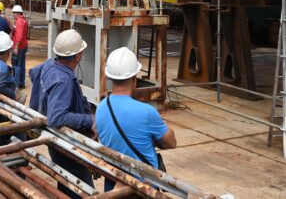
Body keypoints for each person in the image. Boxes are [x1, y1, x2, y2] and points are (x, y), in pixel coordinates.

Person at [96, 47, 177, 191]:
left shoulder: (101, 107)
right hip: (141, 189)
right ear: (134, 78)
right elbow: (171, 143)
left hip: (112, 184)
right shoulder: (146, 112)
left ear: (110, 77)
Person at [29, 29, 95, 198]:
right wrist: (89, 120)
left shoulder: (50, 64)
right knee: (82, 188)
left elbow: (33, 73)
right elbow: (57, 117)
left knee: (66, 181)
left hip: (54, 139)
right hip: (64, 143)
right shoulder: (63, 80)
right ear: (78, 56)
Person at [10, 4, 29, 89]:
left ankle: (16, 84)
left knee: (16, 65)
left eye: (14, 13)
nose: (13, 14)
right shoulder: (24, 20)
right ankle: (22, 82)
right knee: (22, 64)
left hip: (19, 47)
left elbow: (20, 35)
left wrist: (16, 47)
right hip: (24, 45)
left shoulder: (19, 22)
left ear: (18, 13)